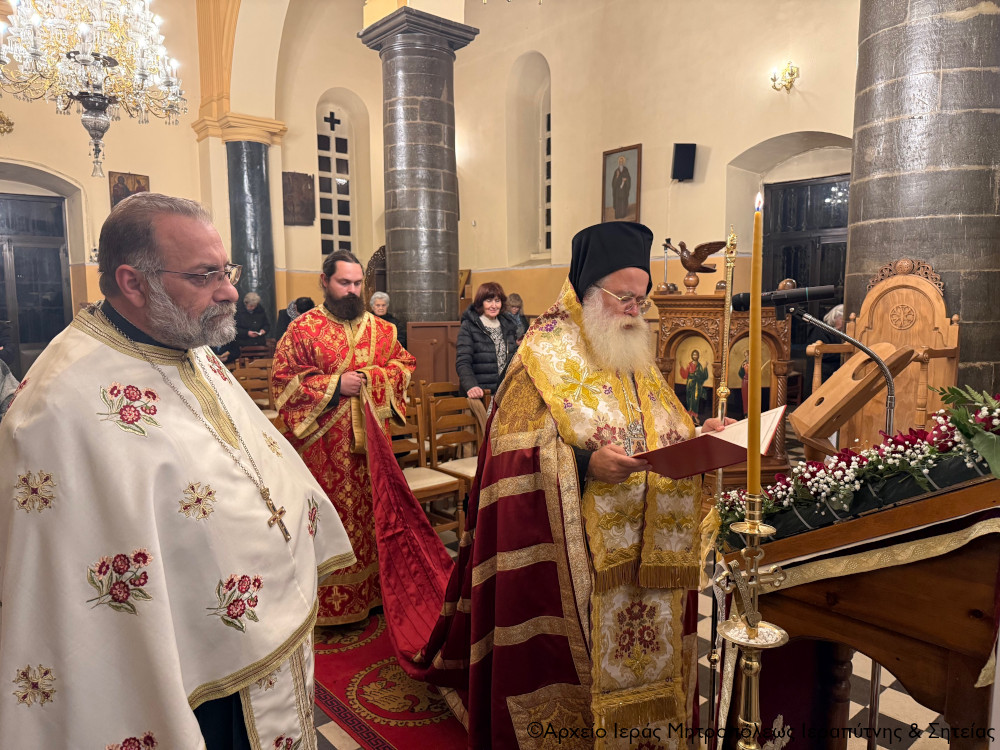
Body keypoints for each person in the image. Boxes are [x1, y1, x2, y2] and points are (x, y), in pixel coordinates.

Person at [0, 193, 356, 748]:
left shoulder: (187, 343)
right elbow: (69, 589)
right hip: (186, 673)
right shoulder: (57, 409)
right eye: (204, 275)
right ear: (134, 283)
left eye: (226, 269)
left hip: (264, 633)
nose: (230, 290)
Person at [375, 221, 730, 748]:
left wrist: (700, 433)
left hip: (646, 550)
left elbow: (660, 422)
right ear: (589, 292)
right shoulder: (541, 355)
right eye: (623, 298)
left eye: (641, 298)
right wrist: (587, 465)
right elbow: (510, 454)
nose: (636, 311)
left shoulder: (632, 351)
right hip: (579, 555)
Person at [271, 250, 416, 625]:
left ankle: (375, 594)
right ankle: (330, 605)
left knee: (374, 517)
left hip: (372, 449)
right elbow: (283, 383)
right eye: (344, 283)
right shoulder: (302, 330)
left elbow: (404, 366)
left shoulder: (383, 330)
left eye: (357, 284)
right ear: (325, 281)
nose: (352, 291)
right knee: (330, 521)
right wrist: (337, 385)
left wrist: (372, 379)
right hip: (322, 452)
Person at [455, 282, 519, 400]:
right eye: (489, 301)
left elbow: (513, 360)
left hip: (505, 393)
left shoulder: (508, 325)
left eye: (497, 301)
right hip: (482, 394)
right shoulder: (469, 326)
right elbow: (463, 362)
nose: (494, 305)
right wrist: (471, 386)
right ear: (481, 303)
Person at [679, 347, 709, 418]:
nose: (695, 356)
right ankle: (689, 413)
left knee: (695, 398)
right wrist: (681, 367)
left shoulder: (699, 365)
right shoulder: (689, 364)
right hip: (690, 383)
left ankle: (695, 415)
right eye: (694, 355)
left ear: (698, 356)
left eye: (696, 355)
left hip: (697, 384)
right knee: (689, 397)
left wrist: (705, 368)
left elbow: (703, 376)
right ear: (692, 356)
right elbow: (685, 374)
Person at [611, 154, 632, 219]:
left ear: (623, 162)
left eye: (622, 161)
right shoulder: (616, 171)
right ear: (618, 162)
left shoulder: (626, 170)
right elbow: (613, 182)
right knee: (618, 202)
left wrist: (626, 180)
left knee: (623, 201)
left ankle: (623, 215)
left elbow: (628, 178)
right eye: (620, 161)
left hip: (623, 190)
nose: (621, 162)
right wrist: (617, 177)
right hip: (618, 190)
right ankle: (618, 216)